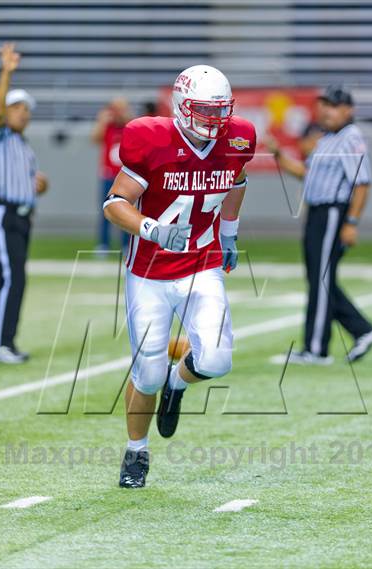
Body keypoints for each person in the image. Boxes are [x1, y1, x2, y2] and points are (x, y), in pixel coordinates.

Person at [104, 64, 256, 488]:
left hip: (201, 265)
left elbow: (237, 180)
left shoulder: (238, 137)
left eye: (220, 111)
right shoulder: (150, 138)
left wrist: (228, 232)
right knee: (146, 373)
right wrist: (151, 228)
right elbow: (114, 203)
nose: (214, 121)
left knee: (216, 360)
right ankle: (136, 452)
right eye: (204, 111)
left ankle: (178, 383)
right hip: (149, 271)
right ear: (181, 106)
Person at [268, 85, 372, 365]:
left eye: (332, 105)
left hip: (333, 211)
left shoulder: (350, 137)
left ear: (347, 110)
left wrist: (352, 222)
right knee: (321, 278)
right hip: (318, 212)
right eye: (323, 105)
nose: (325, 110)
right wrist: (280, 155)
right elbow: (307, 175)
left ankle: (317, 348)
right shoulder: (328, 138)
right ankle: (363, 330)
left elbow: (362, 183)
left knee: (321, 278)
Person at [0, 43, 48, 364]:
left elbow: (27, 181)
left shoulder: (22, 145)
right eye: (17, 107)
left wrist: (39, 185)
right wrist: (6, 72)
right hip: (4, 213)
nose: (23, 113)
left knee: (4, 277)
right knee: (11, 277)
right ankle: (2, 342)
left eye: (26, 109)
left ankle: (1, 339)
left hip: (21, 216)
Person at [91, 98, 132, 253]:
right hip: (108, 175)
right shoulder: (107, 127)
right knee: (105, 210)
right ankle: (103, 243)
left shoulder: (128, 126)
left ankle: (126, 243)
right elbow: (95, 138)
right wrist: (102, 121)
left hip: (125, 175)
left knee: (126, 209)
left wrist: (125, 116)